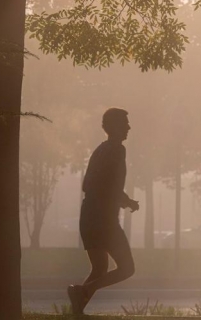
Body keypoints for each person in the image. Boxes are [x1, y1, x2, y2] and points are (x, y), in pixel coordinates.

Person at [67, 107, 139, 315]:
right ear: (115, 126)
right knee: (127, 268)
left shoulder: (100, 150)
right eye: (125, 123)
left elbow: (89, 185)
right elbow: (112, 185)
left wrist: (124, 200)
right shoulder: (117, 150)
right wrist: (125, 201)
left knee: (99, 269)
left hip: (88, 216)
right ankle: (83, 290)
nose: (129, 127)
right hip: (104, 220)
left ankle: (77, 310)